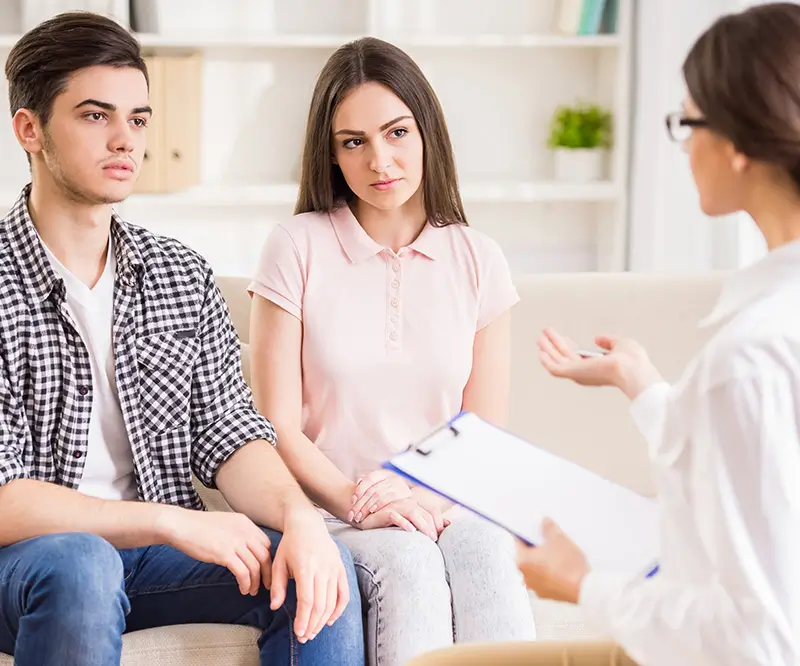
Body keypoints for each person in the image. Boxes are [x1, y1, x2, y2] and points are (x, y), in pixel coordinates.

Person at [433, 3, 800, 666]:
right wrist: (644, 385)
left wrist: (583, 586)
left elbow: (763, 638)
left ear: (740, 145)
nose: (685, 145)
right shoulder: (767, 335)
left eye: (688, 122)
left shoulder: (748, 356)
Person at [0, 12, 364, 666]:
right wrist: (172, 521)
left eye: (138, 119)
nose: (125, 140)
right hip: (28, 568)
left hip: (153, 563)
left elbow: (229, 432)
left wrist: (302, 519)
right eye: (94, 116)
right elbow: (5, 499)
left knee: (317, 567)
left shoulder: (179, 275)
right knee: (82, 564)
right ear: (29, 128)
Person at [247, 36, 536, 666]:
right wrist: (363, 503)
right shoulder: (295, 247)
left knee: (488, 550)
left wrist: (418, 502)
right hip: (332, 513)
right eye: (354, 142)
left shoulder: (478, 258)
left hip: (443, 505)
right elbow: (275, 429)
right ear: (331, 154)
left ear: (426, 130)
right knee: (406, 562)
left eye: (397, 132)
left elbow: (479, 431)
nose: (380, 159)